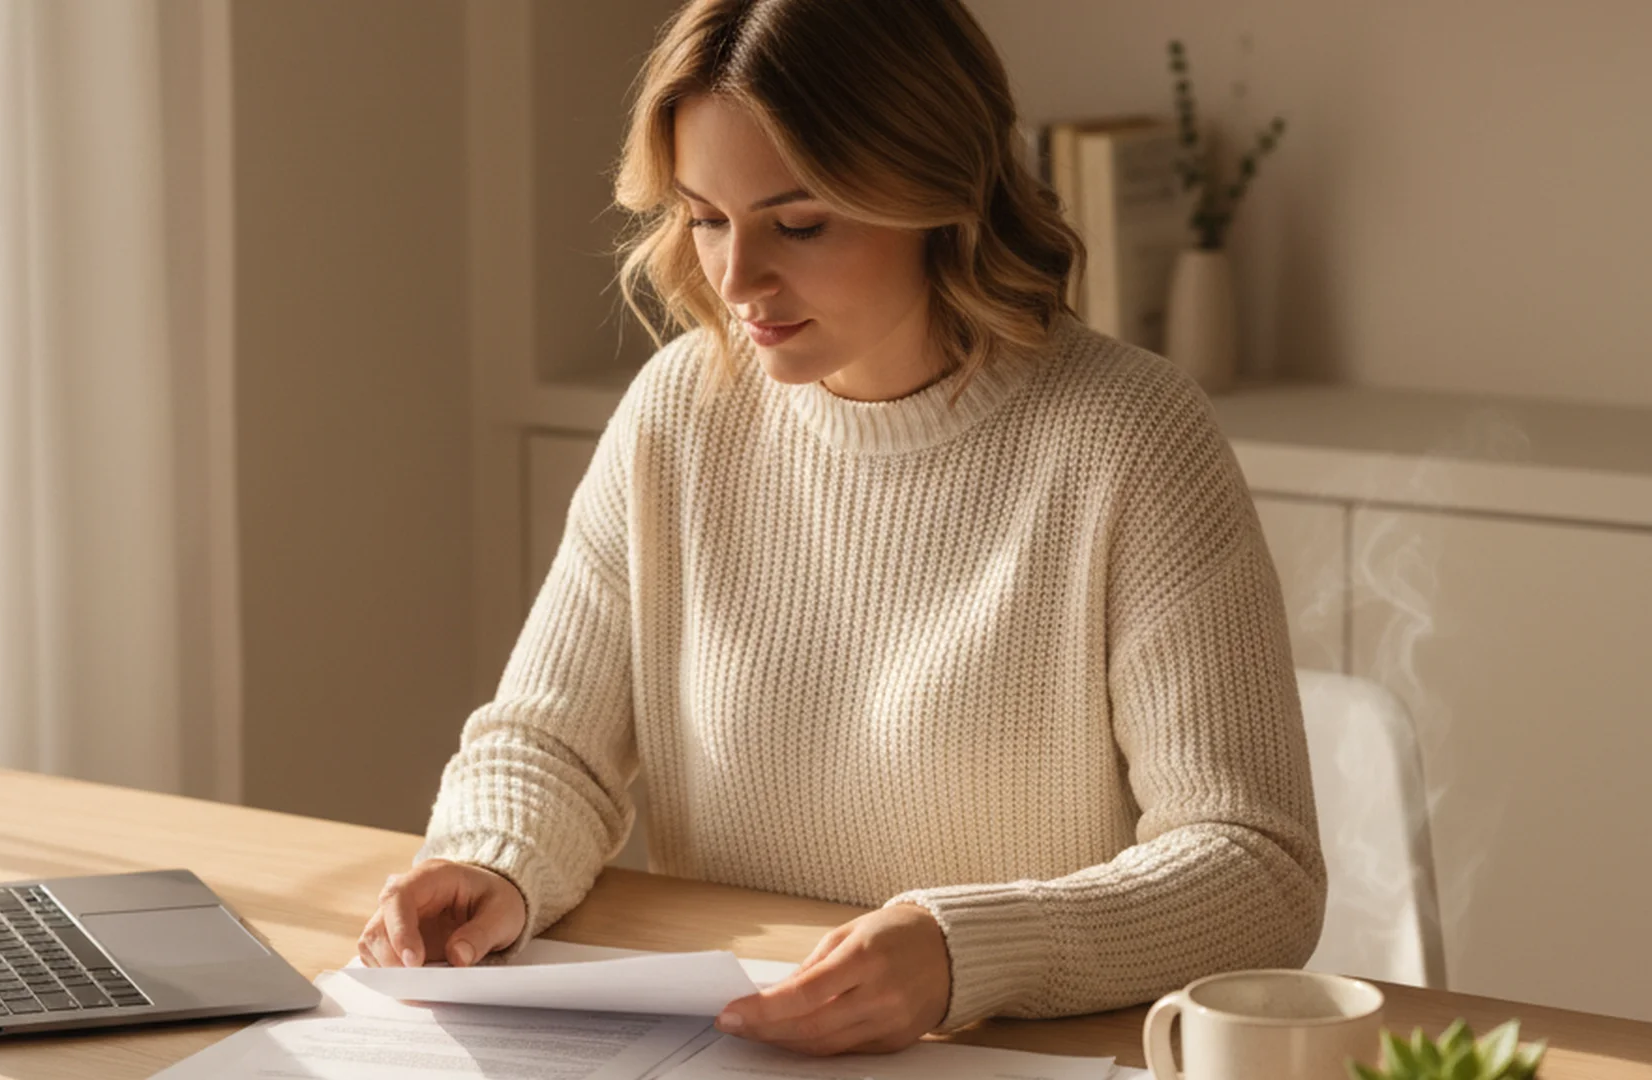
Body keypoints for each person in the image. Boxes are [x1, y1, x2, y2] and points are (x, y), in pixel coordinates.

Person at [360, 0, 1326, 1058]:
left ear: (938, 195)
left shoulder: (1131, 438)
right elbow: (551, 746)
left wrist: (965, 951)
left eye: (801, 223)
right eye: (706, 217)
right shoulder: (681, 415)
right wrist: (492, 861)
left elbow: (1254, 868)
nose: (736, 281)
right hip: (736, 1050)